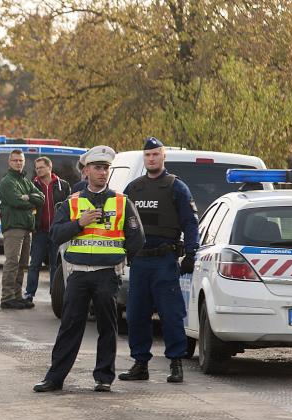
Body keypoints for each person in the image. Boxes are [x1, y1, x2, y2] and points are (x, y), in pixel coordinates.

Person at [33, 146, 145, 393]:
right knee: (70, 327)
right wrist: (79, 223)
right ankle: (55, 378)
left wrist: (120, 258)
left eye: (106, 168)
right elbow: (55, 234)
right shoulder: (73, 202)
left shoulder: (121, 202)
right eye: (97, 168)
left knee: (107, 327)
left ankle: (104, 378)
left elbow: (137, 238)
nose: (103, 172)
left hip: (107, 273)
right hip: (79, 273)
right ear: (86, 171)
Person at [119, 137, 199, 384]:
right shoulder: (133, 189)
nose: (151, 158)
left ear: (163, 156)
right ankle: (140, 364)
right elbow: (120, 223)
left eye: (155, 154)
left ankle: (176, 363)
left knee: (171, 315)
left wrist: (191, 253)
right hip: (140, 262)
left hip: (165, 260)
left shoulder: (176, 187)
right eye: (148, 155)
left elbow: (190, 223)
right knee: (136, 315)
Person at [0, 149, 44, 309]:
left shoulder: (25, 181)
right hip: (13, 227)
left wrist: (27, 197)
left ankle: (17, 296)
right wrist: (30, 201)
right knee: (12, 262)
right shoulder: (7, 181)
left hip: (26, 227)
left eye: (20, 160)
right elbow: (16, 201)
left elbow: (41, 198)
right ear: (9, 162)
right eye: (15, 160)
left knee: (22, 263)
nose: (18, 163)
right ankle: (7, 298)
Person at [24, 157, 71, 303]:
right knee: (34, 264)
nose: (38, 170)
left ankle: (54, 295)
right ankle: (29, 294)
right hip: (40, 232)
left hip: (57, 232)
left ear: (49, 168)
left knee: (55, 265)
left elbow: (69, 207)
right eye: (37, 168)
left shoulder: (63, 185)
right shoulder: (32, 186)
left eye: (41, 167)